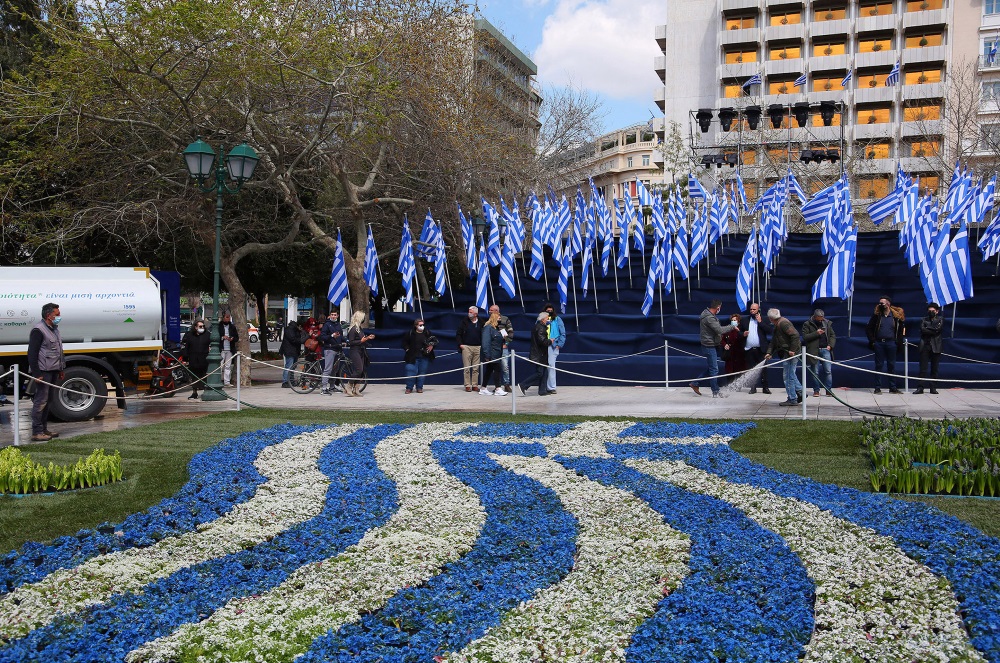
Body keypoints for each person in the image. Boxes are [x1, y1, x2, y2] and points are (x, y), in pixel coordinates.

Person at [27, 302, 65, 441]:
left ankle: (44, 429)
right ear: (49, 315)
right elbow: (32, 353)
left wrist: (61, 368)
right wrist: (37, 373)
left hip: (54, 369)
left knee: (48, 400)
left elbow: (59, 351)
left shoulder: (54, 329)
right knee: (41, 401)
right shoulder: (38, 330)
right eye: (57, 314)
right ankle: (37, 432)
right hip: (44, 371)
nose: (59, 316)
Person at [690, 299, 734, 398]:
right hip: (709, 346)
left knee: (712, 368)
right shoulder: (709, 318)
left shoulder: (709, 315)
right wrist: (732, 327)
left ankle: (695, 383)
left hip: (711, 345)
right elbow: (719, 330)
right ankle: (716, 392)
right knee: (714, 369)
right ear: (718, 307)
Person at [865, 295, 905, 394]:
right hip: (879, 343)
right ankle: (877, 387)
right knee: (879, 365)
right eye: (879, 303)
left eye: (882, 303)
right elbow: (869, 329)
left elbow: (900, 332)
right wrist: (873, 341)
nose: (880, 305)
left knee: (891, 365)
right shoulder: (877, 316)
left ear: (888, 304)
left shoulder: (895, 317)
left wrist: (898, 343)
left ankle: (893, 387)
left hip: (891, 343)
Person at [764, 308, 803, 406]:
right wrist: (769, 353)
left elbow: (795, 335)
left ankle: (792, 398)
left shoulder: (783, 323)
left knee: (788, 376)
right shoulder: (778, 324)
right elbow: (773, 341)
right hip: (787, 352)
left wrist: (792, 350)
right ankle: (800, 392)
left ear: (770, 318)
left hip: (791, 354)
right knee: (791, 374)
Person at [739, 302, 772, 394]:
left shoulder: (764, 319)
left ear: (759, 310)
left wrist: (760, 322)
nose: (752, 311)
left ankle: (765, 387)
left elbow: (769, 330)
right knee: (751, 369)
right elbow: (739, 333)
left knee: (763, 369)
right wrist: (743, 334)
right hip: (749, 349)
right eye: (751, 309)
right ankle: (752, 387)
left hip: (761, 349)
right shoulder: (745, 320)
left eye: (754, 309)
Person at [801, 309, 836, 397]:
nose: (821, 320)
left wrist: (830, 345)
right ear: (815, 317)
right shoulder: (807, 324)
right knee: (815, 372)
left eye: (822, 318)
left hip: (825, 349)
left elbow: (832, 335)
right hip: (813, 351)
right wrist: (816, 333)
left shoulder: (827, 323)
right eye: (819, 319)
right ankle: (816, 390)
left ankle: (828, 390)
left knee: (828, 371)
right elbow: (805, 337)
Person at [517, 311, 552, 396]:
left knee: (544, 372)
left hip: (541, 354)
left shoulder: (539, 326)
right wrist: (550, 341)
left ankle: (542, 390)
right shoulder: (540, 328)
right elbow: (542, 341)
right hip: (539, 354)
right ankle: (524, 384)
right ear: (543, 319)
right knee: (539, 373)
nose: (548, 320)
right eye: (547, 318)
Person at [402, 318, 437, 394]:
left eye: (423, 325)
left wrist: (432, 346)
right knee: (410, 372)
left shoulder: (427, 333)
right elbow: (404, 343)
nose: (422, 326)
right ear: (416, 325)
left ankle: (419, 387)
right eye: (420, 325)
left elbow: (434, 341)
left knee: (422, 373)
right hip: (412, 357)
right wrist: (407, 350)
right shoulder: (410, 333)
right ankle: (409, 388)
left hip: (424, 356)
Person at [344, 311, 375, 397]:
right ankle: (349, 386)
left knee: (361, 371)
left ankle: (356, 388)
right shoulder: (353, 329)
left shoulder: (359, 328)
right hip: (354, 350)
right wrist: (361, 341)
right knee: (358, 369)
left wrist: (368, 338)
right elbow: (351, 342)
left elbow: (362, 339)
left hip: (361, 350)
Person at [915, 302, 943, 395]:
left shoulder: (940, 319)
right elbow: (922, 330)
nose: (931, 312)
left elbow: (937, 330)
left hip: (936, 346)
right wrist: (932, 328)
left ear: (937, 311)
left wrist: (928, 328)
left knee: (934, 368)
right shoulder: (923, 319)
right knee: (923, 368)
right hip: (925, 346)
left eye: (933, 311)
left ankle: (933, 387)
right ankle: (920, 387)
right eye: (929, 311)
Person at [180, 319, 211, 399]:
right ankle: (194, 392)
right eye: (200, 326)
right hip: (193, 358)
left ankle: (205, 391)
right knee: (194, 376)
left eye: (203, 326)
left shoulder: (207, 335)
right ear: (196, 327)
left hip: (204, 358)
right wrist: (185, 358)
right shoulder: (190, 335)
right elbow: (187, 347)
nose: (202, 328)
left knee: (204, 375)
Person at [456, 306, 484, 392]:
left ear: (476, 314)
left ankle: (475, 384)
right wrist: (461, 344)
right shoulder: (464, 322)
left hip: (478, 347)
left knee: (476, 368)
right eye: (469, 312)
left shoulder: (481, 322)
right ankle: (467, 385)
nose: (469, 313)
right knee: (467, 367)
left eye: (471, 312)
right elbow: (458, 334)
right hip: (466, 347)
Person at [488, 304, 515, 390]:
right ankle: (497, 386)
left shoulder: (505, 319)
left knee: (505, 366)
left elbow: (510, 332)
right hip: (493, 348)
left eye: (491, 310)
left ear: (496, 311)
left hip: (503, 347)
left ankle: (506, 384)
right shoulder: (490, 320)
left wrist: (506, 343)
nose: (489, 311)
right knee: (495, 367)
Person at [479, 310, 506, 395]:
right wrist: (487, 354)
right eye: (498, 317)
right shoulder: (488, 328)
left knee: (489, 370)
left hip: (497, 353)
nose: (500, 319)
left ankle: (483, 388)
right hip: (492, 353)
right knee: (497, 369)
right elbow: (485, 342)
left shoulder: (496, 328)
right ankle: (498, 388)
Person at [319, 310, 344, 395]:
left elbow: (341, 336)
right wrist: (332, 335)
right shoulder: (327, 324)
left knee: (335, 369)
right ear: (330, 316)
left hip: (337, 349)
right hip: (329, 349)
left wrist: (347, 340)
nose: (333, 316)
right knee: (328, 369)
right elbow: (322, 337)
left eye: (335, 315)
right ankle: (324, 388)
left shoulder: (338, 325)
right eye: (332, 315)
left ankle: (332, 386)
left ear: (338, 316)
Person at [544, 303, 566, 394]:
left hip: (553, 345)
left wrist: (559, 344)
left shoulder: (558, 319)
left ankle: (552, 387)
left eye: (551, 310)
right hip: (543, 345)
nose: (549, 312)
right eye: (547, 310)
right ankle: (543, 386)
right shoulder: (541, 319)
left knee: (551, 366)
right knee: (542, 367)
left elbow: (563, 333)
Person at [721, 312, 745, 384]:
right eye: (732, 320)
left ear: (738, 321)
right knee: (729, 369)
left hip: (739, 352)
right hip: (730, 353)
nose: (733, 321)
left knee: (739, 369)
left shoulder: (741, 329)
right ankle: (729, 383)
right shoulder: (728, 329)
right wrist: (725, 344)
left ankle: (738, 384)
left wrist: (738, 331)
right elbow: (722, 339)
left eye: (735, 320)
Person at [218, 311, 240, 387]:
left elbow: (237, 338)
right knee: (220, 365)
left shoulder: (232, 327)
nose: (228, 319)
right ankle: (218, 381)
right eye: (227, 317)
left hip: (230, 349)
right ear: (223, 318)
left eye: (229, 317)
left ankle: (226, 382)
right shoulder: (219, 326)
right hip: (221, 349)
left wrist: (232, 339)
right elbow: (215, 336)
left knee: (228, 366)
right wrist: (222, 337)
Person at [278, 320, 302, 388]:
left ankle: (291, 380)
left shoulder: (293, 330)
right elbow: (293, 339)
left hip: (294, 351)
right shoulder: (290, 330)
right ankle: (285, 381)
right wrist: (301, 340)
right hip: (290, 351)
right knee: (289, 366)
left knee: (292, 367)